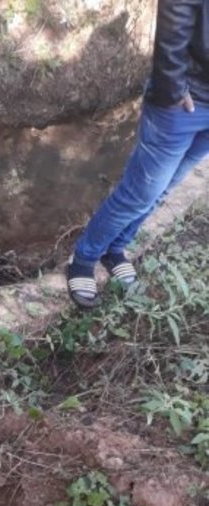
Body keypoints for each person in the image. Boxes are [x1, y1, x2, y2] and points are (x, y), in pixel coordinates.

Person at [68, 0, 209, 308]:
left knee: (164, 189)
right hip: (188, 99)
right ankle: (84, 258)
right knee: (139, 194)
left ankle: (115, 248)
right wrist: (171, 86)